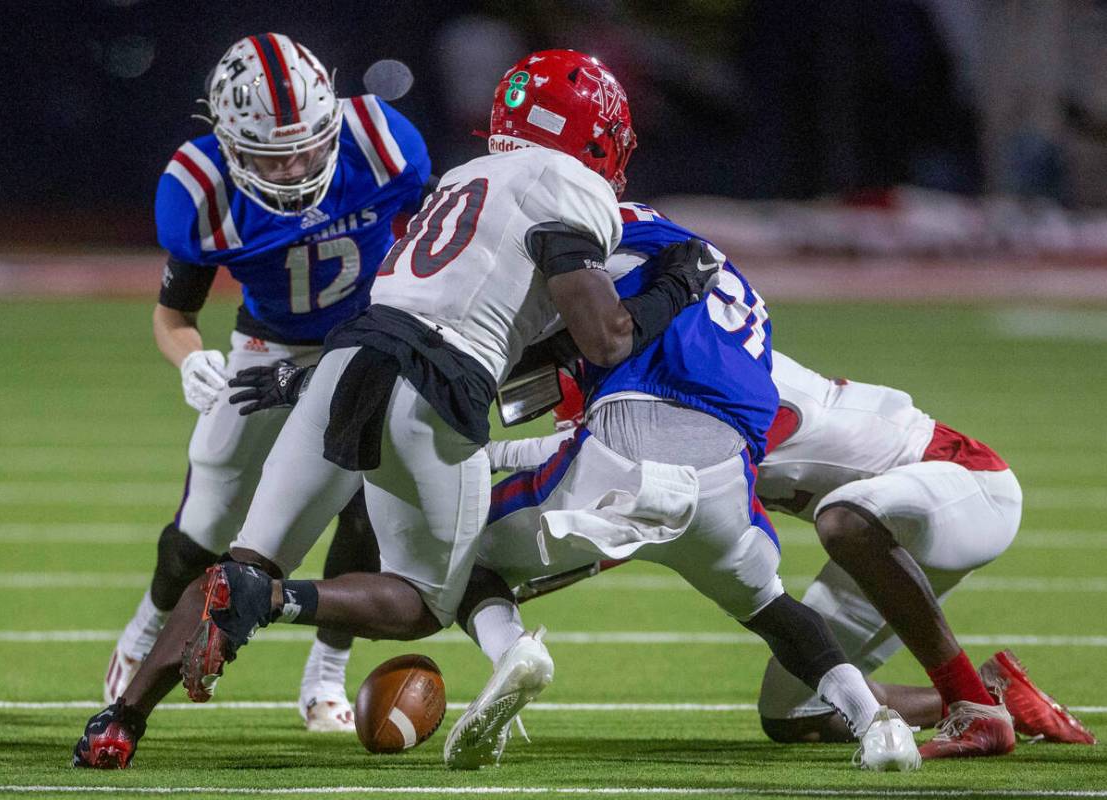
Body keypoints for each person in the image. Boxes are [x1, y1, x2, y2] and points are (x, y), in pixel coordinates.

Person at [73, 48, 716, 771]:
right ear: (596, 137)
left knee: (245, 554)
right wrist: (678, 287)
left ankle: (118, 723)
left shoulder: (468, 174)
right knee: (422, 602)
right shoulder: (573, 190)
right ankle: (273, 600)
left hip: (350, 353)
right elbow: (607, 339)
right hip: (432, 379)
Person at [444, 207, 922, 771]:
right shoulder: (732, 295)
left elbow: (581, 359)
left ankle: (514, 653)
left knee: (461, 556)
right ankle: (877, 724)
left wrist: (487, 447)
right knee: (770, 606)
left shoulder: (592, 232)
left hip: (624, 449)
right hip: (725, 477)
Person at [487, 339, 1095, 757]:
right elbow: (587, 478)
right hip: (887, 524)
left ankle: (973, 711)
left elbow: (617, 491)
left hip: (964, 487)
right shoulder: (670, 383)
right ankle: (989, 693)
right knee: (796, 714)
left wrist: (500, 553)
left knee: (842, 521)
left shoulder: (711, 385)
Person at [102, 32, 431, 734]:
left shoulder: (382, 144)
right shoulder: (199, 190)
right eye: (268, 153)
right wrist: (190, 357)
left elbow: (435, 251)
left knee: (369, 508)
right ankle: (143, 633)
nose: (295, 165)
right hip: (265, 346)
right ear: (225, 138)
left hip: (366, 340)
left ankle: (325, 679)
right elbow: (174, 316)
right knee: (209, 518)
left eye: (310, 144)